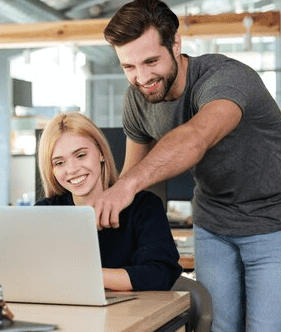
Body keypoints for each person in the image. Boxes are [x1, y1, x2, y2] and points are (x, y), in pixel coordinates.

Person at [96, 0, 281, 332]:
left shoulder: (226, 78)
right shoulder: (137, 98)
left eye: (151, 62)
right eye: (128, 66)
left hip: (274, 223)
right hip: (215, 225)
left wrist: (127, 183)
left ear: (176, 44)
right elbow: (136, 178)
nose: (141, 77)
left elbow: (196, 137)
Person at [35, 111, 182, 291]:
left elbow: (159, 274)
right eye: (59, 163)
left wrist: (85, 274)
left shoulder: (144, 207)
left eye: (81, 155)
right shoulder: (45, 213)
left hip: (133, 314)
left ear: (101, 153)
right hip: (66, 314)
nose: (72, 169)